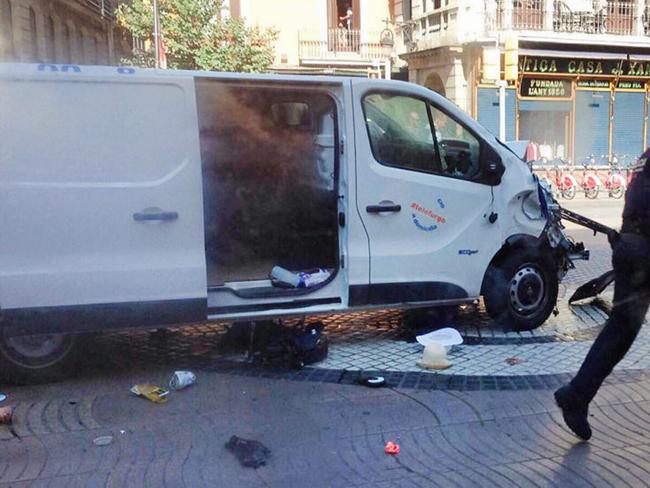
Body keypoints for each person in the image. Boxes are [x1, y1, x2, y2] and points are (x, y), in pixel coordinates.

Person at [555, 148, 650, 441]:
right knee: (622, 329)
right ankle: (576, 395)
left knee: (620, 330)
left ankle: (577, 395)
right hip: (643, 250)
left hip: (632, 246)